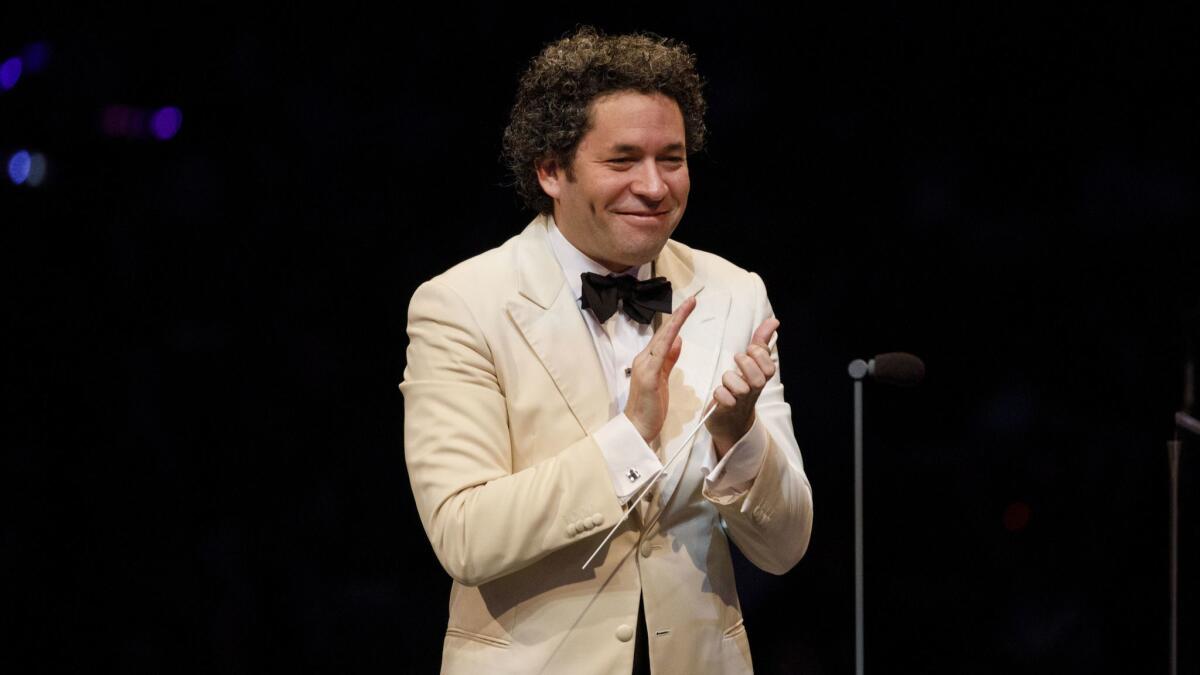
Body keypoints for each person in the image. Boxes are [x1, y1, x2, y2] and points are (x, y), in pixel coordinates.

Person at [401, 27, 813, 674]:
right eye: (622, 161)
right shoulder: (462, 303)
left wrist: (740, 440)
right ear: (550, 169)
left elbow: (784, 546)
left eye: (671, 159)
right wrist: (631, 437)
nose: (653, 187)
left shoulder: (735, 293)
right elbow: (465, 536)